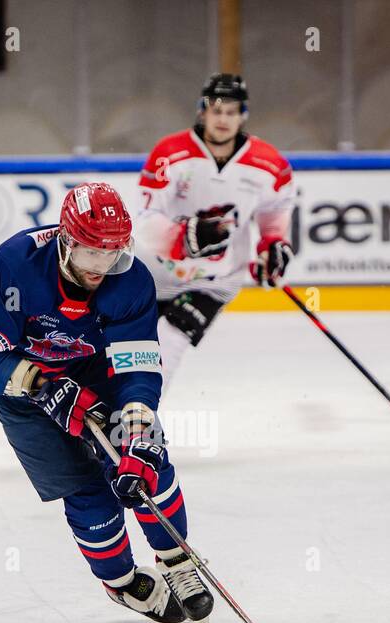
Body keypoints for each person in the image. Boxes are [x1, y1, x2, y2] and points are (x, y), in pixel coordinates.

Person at [0, 181, 214, 623]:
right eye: (92, 252)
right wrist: (41, 388)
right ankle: (121, 583)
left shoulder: (129, 279)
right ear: (66, 242)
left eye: (113, 251)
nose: (102, 265)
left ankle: (177, 561)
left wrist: (136, 430)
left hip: (98, 374)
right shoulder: (13, 265)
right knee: (86, 491)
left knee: (145, 458)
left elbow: (135, 367)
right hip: (23, 394)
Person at [135, 73, 296, 390]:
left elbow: (274, 212)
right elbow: (144, 219)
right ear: (203, 110)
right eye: (216, 109)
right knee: (127, 353)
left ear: (243, 115)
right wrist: (184, 238)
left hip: (214, 281)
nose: (223, 118)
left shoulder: (269, 165)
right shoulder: (170, 153)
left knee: (169, 342)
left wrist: (273, 245)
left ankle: (139, 424)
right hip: (155, 277)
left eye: (232, 111)